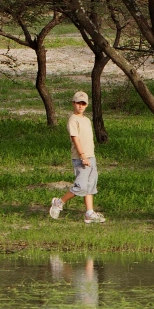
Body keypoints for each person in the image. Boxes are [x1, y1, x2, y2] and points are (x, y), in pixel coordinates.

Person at [50, 91, 106, 224]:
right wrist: (82, 156)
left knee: (90, 186)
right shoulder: (73, 120)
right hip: (81, 158)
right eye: (78, 103)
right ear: (73, 103)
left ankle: (89, 213)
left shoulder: (86, 120)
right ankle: (59, 202)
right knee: (80, 186)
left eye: (83, 103)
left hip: (91, 156)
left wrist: (90, 156)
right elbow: (75, 138)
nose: (80, 106)